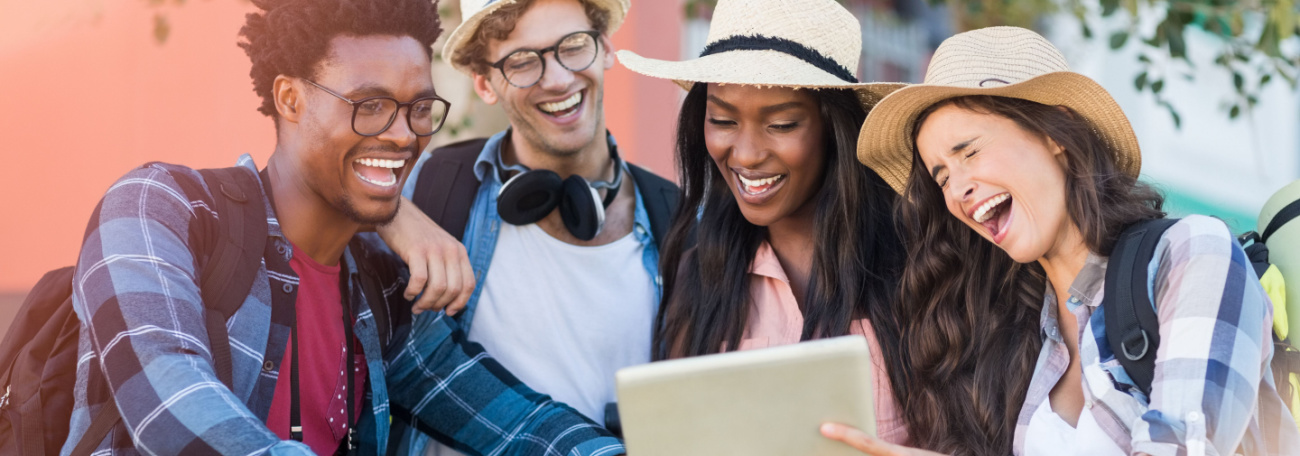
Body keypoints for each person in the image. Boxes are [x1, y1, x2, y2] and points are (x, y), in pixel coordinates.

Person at [62, 0, 623, 454]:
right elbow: (171, 407)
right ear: (290, 98)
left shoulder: (380, 285)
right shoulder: (161, 210)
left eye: (420, 108)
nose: (404, 136)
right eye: (370, 105)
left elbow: (511, 422)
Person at [829, 26, 1300, 456]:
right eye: (941, 177)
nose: (957, 190)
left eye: (969, 151)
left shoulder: (1192, 253)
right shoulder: (1016, 334)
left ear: (1055, 132)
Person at [375, 0, 679, 453]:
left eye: (574, 47)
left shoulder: (678, 219)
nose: (557, 78)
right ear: (485, 83)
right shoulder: (435, 186)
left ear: (607, 49)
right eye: (521, 61)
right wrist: (390, 215)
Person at [618, 0, 912, 445]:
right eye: (722, 120)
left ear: (835, 128)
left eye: (781, 123)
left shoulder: (919, 267)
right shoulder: (701, 276)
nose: (747, 154)